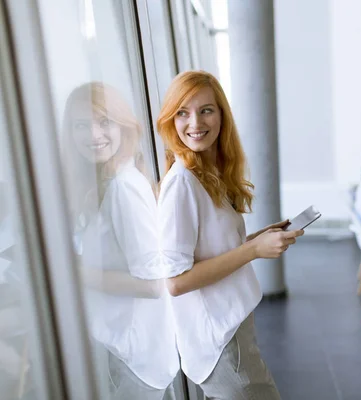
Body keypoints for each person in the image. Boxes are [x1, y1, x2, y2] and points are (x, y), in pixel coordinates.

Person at [156, 71, 304, 400]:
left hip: (232, 328)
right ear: (171, 119)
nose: (195, 122)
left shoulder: (207, 173)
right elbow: (176, 281)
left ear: (222, 114)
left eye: (206, 110)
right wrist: (252, 252)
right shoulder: (182, 183)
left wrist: (257, 239)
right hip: (220, 342)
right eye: (182, 112)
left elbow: (212, 249)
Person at [61, 82, 178, 399]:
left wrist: (77, 275)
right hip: (122, 347)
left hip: (132, 356)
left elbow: (154, 284)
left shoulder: (124, 188)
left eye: (104, 122)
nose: (94, 135)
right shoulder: (108, 181)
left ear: (122, 126)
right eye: (82, 125)